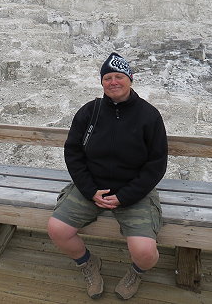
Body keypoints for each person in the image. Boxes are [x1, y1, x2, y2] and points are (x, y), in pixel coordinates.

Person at [47, 52, 168, 300]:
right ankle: (88, 263)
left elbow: (156, 165)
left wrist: (124, 196)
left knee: (145, 252)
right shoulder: (89, 112)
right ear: (101, 82)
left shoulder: (149, 116)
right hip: (91, 186)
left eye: (119, 76)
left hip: (134, 191)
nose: (113, 82)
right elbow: (73, 153)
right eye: (107, 77)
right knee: (57, 229)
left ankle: (136, 271)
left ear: (130, 79)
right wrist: (90, 190)